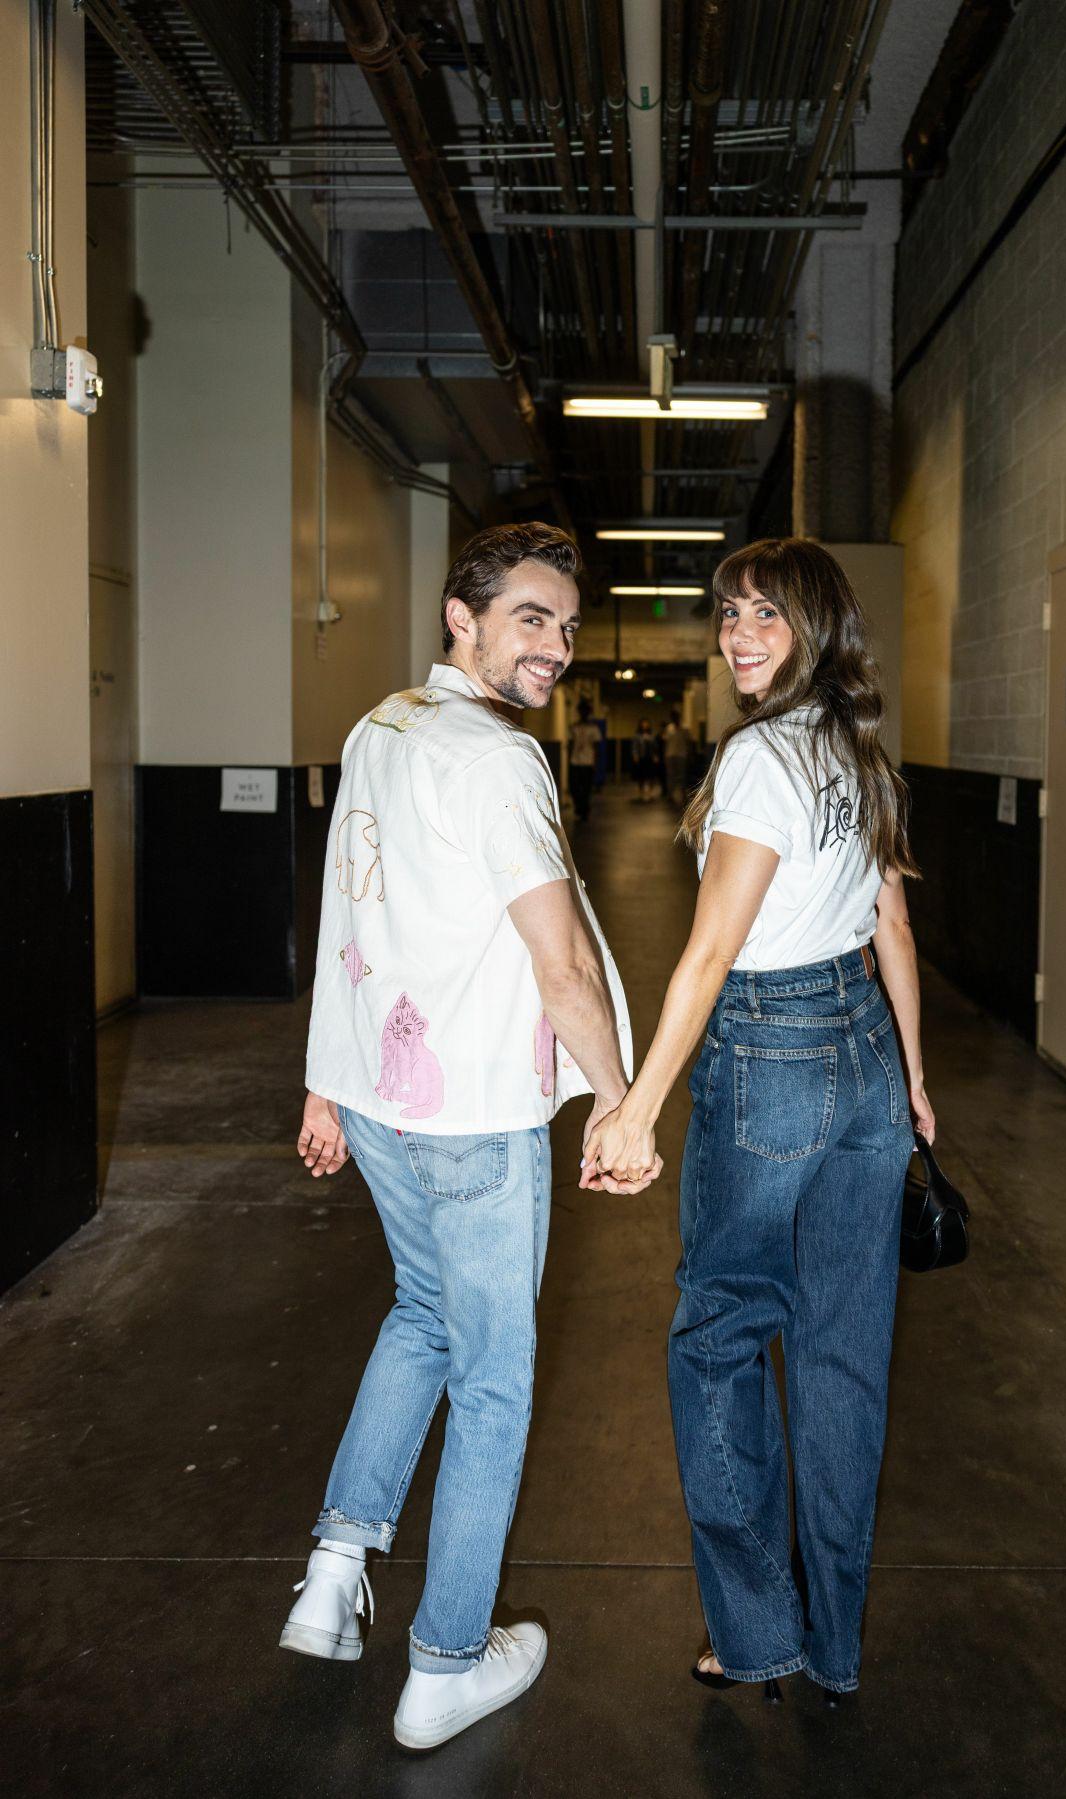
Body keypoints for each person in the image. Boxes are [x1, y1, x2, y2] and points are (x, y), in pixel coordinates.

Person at [283, 522, 657, 1752]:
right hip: (478, 1115)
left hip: (384, 1099)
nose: (554, 642)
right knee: (494, 1380)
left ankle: (336, 1572)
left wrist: (326, 1081)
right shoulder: (497, 761)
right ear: (464, 615)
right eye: (529, 617)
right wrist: (622, 1099)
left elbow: (350, 908)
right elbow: (559, 964)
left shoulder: (380, 727)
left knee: (422, 1315)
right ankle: (446, 1658)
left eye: (565, 620)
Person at [580, 537, 933, 1705]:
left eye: (765, 616)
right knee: (842, 1360)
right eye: (729, 613)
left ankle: (755, 1632)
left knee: (721, 1332)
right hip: (865, 1058)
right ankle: (835, 1644)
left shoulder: (760, 759)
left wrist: (636, 1107)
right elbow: (890, 930)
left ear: (817, 629)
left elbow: (714, 950)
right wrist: (913, 1082)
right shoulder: (860, 753)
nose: (737, 635)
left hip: (775, 1050)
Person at [568, 697, 603, 823]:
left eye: (585, 711)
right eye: (581, 711)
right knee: (575, 788)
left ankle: (584, 811)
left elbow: (597, 747)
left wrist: (595, 763)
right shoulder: (574, 727)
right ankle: (579, 808)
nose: (583, 713)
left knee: (586, 788)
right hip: (575, 761)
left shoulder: (593, 728)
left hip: (588, 762)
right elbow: (571, 744)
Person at [662, 710, 691, 806]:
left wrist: (689, 754)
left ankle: (683, 794)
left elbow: (688, 741)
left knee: (682, 776)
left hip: (681, 754)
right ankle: (670, 795)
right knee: (670, 776)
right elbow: (665, 741)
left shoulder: (684, 727)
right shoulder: (669, 728)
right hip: (670, 754)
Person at [630, 717, 657, 801]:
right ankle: (641, 793)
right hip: (641, 757)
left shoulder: (651, 735)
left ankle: (650, 793)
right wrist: (635, 755)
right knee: (640, 776)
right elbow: (635, 746)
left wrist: (655, 755)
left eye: (646, 724)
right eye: (643, 724)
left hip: (649, 758)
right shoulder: (637, 736)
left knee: (650, 776)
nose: (645, 725)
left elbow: (655, 747)